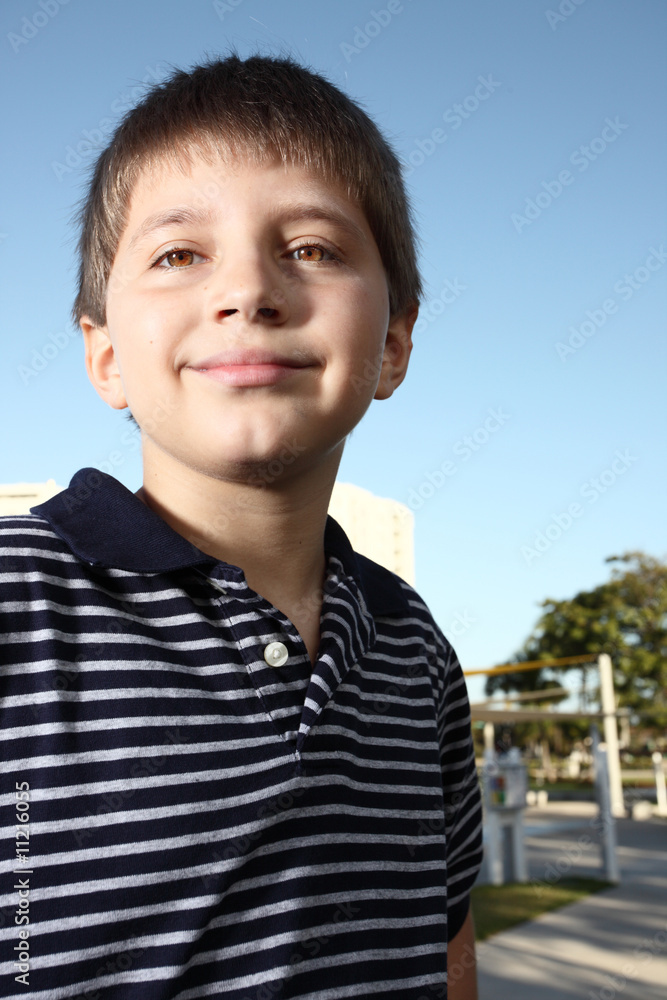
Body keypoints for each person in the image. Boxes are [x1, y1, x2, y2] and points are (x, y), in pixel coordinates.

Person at [0, 55, 482, 999]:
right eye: (180, 255)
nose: (249, 291)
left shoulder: (416, 649)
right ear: (104, 356)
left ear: (391, 343)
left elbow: (449, 937)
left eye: (311, 248)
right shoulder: (15, 602)